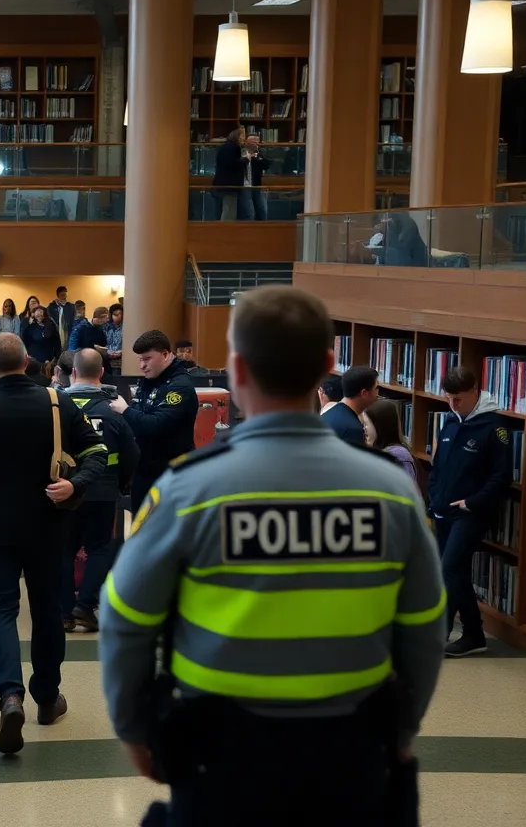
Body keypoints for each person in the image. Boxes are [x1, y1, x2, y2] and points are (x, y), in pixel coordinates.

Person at [99, 285, 444, 825]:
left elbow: (125, 618)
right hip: (351, 757)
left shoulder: (188, 492)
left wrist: (135, 731)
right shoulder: (391, 493)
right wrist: (401, 733)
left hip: (219, 759)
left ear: (235, 370)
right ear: (327, 365)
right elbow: (425, 624)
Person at [0, 333, 106, 754]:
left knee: (0, 609)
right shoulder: (58, 403)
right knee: (48, 609)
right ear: (29, 360)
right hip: (48, 524)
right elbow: (98, 451)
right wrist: (75, 484)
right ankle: (47, 699)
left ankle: (10, 696)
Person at [429, 365, 512, 657]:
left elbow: (501, 477)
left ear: (475, 391)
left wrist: (472, 502)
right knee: (457, 572)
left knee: (449, 568)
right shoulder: (450, 422)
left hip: (471, 512)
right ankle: (474, 634)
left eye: (459, 399)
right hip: (442, 509)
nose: (453, 405)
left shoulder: (494, 427)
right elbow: (438, 465)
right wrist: (434, 496)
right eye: (449, 398)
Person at [61, 350, 138, 632]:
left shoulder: (58, 406)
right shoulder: (113, 408)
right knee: (99, 549)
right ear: (102, 373)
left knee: (64, 551)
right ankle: (85, 605)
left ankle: (64, 612)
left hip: (64, 492)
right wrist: (121, 482)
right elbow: (131, 453)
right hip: (104, 491)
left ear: (73, 372)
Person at [110, 330, 198, 511]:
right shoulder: (148, 381)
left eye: (147, 359)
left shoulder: (180, 385)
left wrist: (125, 410)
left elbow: (157, 425)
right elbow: (137, 419)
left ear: (166, 355)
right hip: (144, 469)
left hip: (172, 472)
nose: (142, 365)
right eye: (140, 359)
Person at [323, 366, 379, 447]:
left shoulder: (328, 414)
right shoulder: (353, 430)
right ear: (364, 393)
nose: (378, 394)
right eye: (376, 388)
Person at [367, 399, 417, 482]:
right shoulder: (375, 450)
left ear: (379, 426)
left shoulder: (399, 455)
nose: (363, 428)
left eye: (366, 424)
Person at [213, 126, 247, 221]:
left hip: (221, 184)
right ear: (237, 136)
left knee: (221, 211)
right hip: (230, 185)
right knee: (229, 212)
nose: (244, 138)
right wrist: (245, 160)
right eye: (242, 135)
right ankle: (225, 233)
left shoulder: (225, 147)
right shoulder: (233, 148)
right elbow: (232, 165)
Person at [243, 134, 270, 221]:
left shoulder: (260, 154)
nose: (257, 144)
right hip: (244, 187)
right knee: (249, 212)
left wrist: (257, 156)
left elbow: (267, 165)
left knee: (262, 210)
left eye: (258, 141)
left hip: (257, 186)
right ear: (248, 143)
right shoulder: (242, 153)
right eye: (255, 142)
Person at [105, 304, 124, 374]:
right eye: (116, 314)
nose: (119, 316)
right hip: (107, 358)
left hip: (120, 360)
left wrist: (121, 352)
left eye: (120, 314)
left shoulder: (125, 326)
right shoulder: (106, 326)